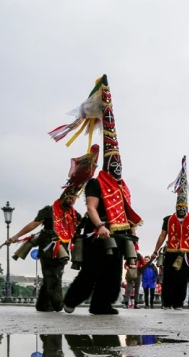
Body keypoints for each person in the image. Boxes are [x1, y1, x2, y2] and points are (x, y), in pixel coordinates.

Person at [56, 75, 142, 315]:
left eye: (119, 164)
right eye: (113, 164)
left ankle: (102, 304)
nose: (117, 168)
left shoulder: (121, 185)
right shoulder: (96, 183)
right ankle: (71, 300)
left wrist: (130, 230)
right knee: (92, 271)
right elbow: (92, 207)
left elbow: (126, 211)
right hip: (97, 232)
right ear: (106, 165)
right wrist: (100, 226)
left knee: (114, 272)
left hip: (118, 233)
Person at [6, 145, 97, 312]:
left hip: (63, 249)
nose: (69, 202)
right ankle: (57, 303)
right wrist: (15, 236)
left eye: (72, 199)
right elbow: (33, 224)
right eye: (67, 199)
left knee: (56, 276)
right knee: (51, 276)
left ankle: (43, 304)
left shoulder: (73, 213)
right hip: (48, 246)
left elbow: (80, 226)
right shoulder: (49, 210)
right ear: (63, 197)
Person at [149, 157, 189, 310]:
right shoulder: (168, 219)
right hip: (171, 251)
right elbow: (162, 236)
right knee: (169, 278)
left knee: (182, 279)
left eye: (183, 207)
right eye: (179, 207)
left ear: (186, 207)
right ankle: (166, 302)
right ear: (176, 206)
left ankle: (178, 302)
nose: (181, 209)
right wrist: (155, 251)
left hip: (186, 253)